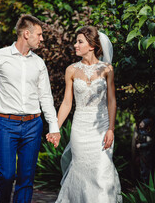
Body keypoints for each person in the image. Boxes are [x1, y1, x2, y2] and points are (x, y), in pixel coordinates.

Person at [0, 14, 61, 203]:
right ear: (26, 34)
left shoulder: (39, 63)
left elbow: (46, 97)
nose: (42, 39)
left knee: (26, 177)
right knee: (7, 174)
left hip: (33, 125)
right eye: (39, 34)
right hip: (6, 124)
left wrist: (53, 127)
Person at [46, 26, 122, 202]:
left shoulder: (107, 69)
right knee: (81, 172)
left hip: (101, 127)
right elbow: (67, 103)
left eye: (80, 41)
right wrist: (55, 128)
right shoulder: (71, 70)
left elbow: (112, 101)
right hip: (80, 128)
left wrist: (111, 128)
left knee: (103, 170)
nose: (75, 45)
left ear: (92, 45)